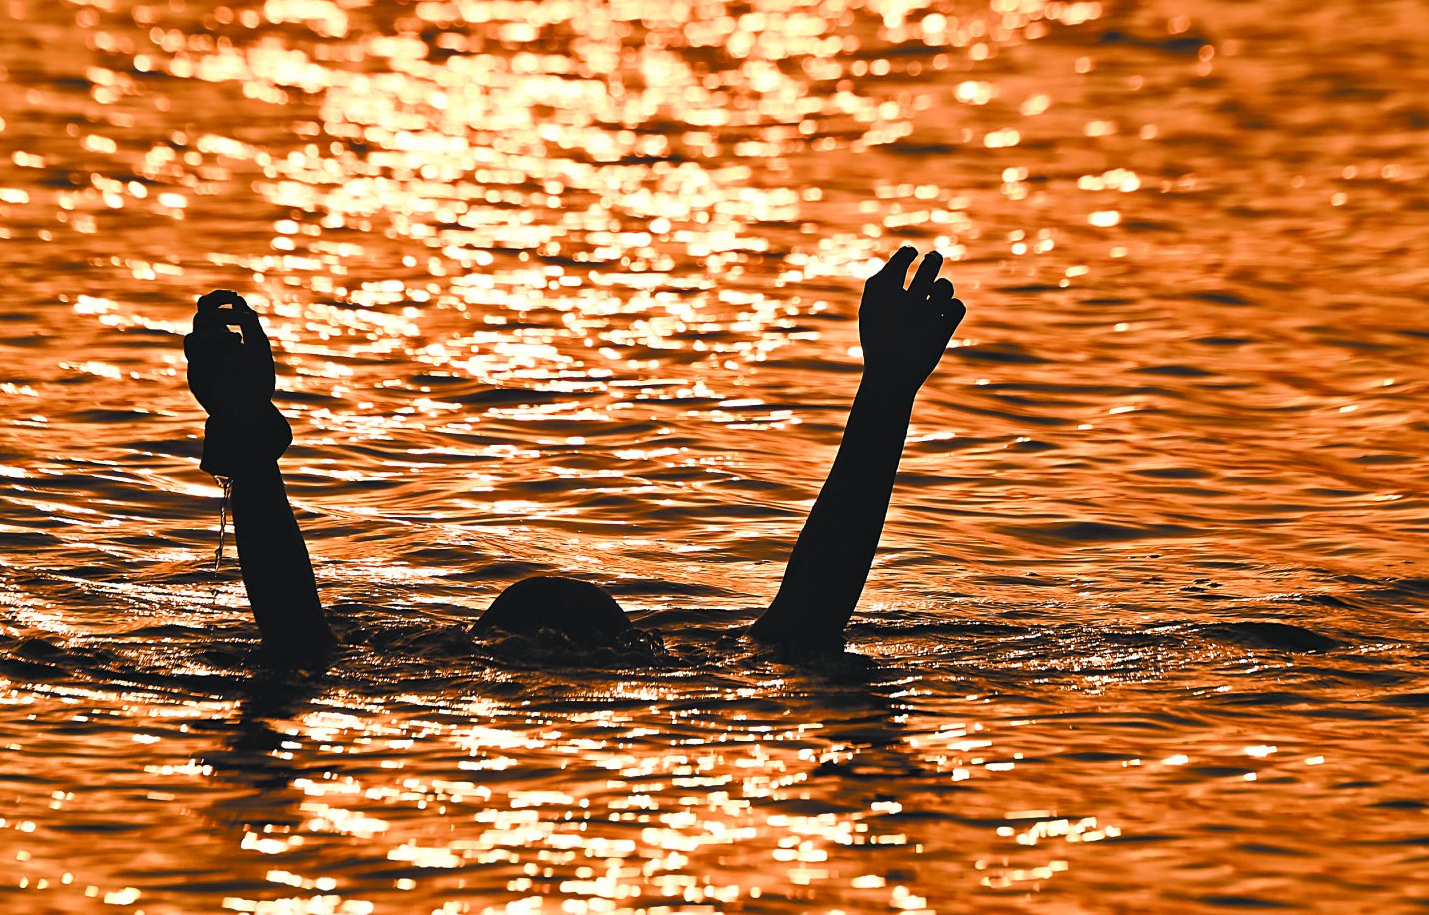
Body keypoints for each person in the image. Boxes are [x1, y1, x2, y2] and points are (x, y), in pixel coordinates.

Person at [183, 246, 967, 666]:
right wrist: (887, 390)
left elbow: (296, 634)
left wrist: (250, 444)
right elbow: (810, 611)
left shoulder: (416, 669)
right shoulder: (690, 677)